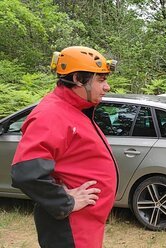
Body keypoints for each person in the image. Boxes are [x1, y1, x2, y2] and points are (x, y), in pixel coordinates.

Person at [11, 46, 118, 248]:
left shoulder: (75, 109)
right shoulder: (51, 113)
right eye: (101, 79)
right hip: (70, 229)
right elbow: (25, 173)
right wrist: (65, 202)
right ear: (78, 79)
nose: (107, 87)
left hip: (84, 226)